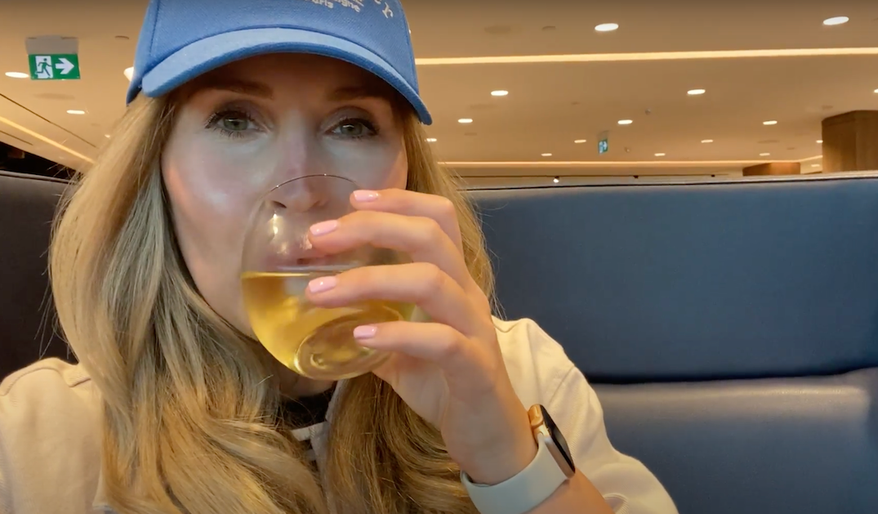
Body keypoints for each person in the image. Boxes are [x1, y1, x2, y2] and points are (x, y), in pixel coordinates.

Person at [0, 1, 677, 514]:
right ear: (156, 172)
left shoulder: (521, 376)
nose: (302, 187)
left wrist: (507, 460)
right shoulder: (38, 441)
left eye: (352, 125)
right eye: (236, 119)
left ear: (407, 173)